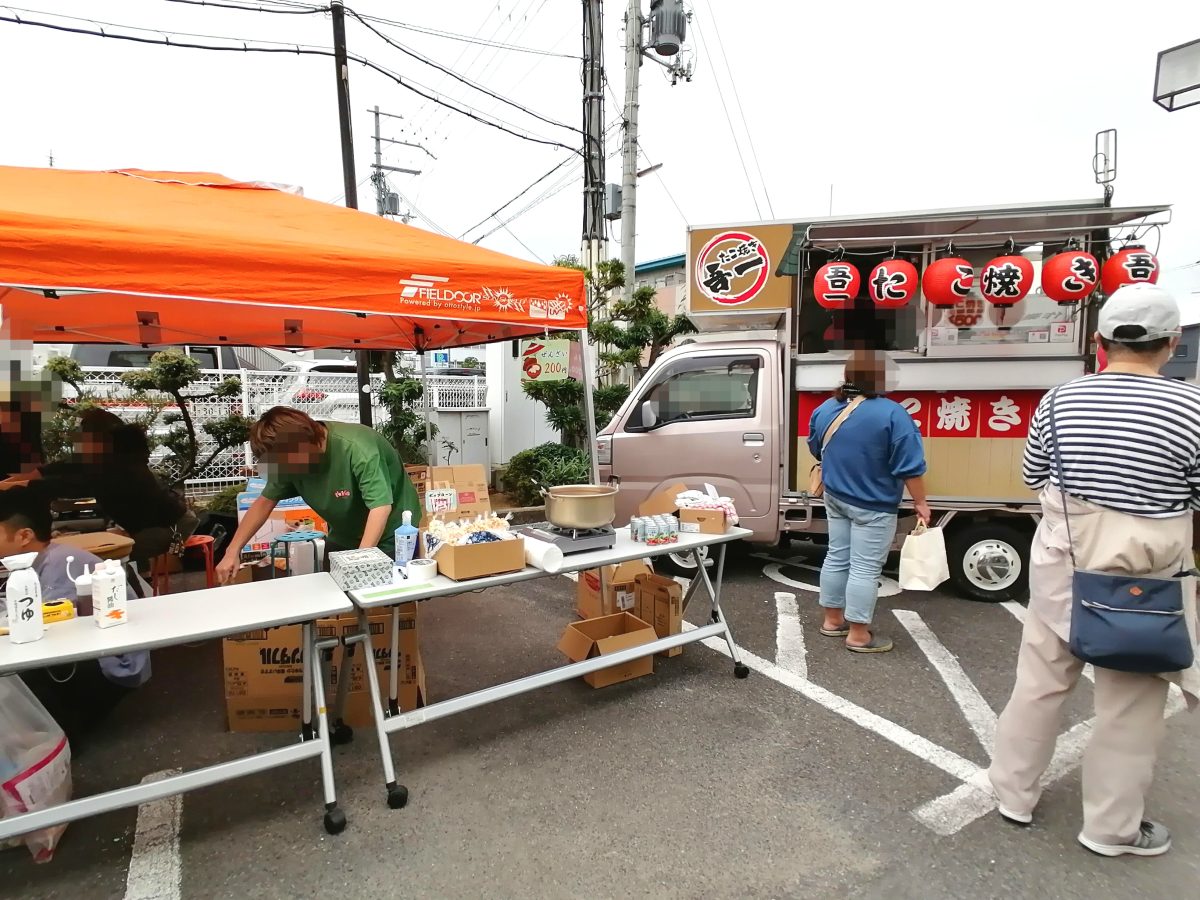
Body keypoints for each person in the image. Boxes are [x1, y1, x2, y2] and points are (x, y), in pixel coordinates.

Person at [989, 283, 1200, 858]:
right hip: (1148, 579)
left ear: (1101, 341)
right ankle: (1111, 830)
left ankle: (1013, 795)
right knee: (1129, 706)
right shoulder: (1193, 408)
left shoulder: (1060, 400)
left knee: (1038, 685)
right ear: (1172, 342)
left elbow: (1035, 475)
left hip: (1065, 564)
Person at [0, 485, 150, 750]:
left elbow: (51, 629)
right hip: (95, 649)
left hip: (114, 662)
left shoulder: (63, 565)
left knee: (23, 675)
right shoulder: (39, 562)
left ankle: (65, 737)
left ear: (24, 535)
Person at [808, 349, 931, 653]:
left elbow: (815, 447)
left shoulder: (826, 408)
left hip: (835, 497)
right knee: (864, 568)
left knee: (837, 556)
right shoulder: (892, 413)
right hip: (874, 505)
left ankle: (833, 620)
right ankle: (859, 635)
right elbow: (910, 467)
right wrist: (921, 503)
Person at [215, 407, 420, 584]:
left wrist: (359, 561)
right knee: (333, 598)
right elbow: (264, 502)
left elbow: (380, 507)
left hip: (394, 534)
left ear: (308, 442)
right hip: (344, 533)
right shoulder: (288, 457)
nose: (287, 470)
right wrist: (232, 550)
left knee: (381, 603)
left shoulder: (357, 447)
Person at [16, 408, 192, 567]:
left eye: (82, 434)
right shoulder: (113, 458)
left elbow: (70, 484)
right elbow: (71, 467)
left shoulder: (115, 467)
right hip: (159, 525)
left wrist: (24, 484)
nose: (77, 440)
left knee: (109, 558)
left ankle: (133, 592)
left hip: (172, 528)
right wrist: (37, 473)